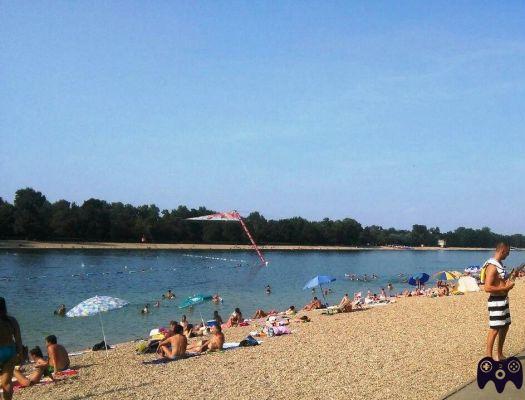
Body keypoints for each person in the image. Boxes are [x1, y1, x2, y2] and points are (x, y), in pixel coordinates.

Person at [483, 242, 514, 361]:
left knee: (505, 325)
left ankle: (499, 354)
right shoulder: (492, 266)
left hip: (503, 300)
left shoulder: (499, 264)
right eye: (508, 252)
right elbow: (487, 287)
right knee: (495, 328)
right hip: (496, 301)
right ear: (502, 250)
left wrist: (512, 276)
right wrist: (505, 288)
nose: (508, 254)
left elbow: (501, 280)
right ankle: (488, 357)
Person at [0, 297, 23, 400]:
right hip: (9, 351)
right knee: (7, 383)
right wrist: (19, 353)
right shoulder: (11, 320)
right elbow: (18, 339)